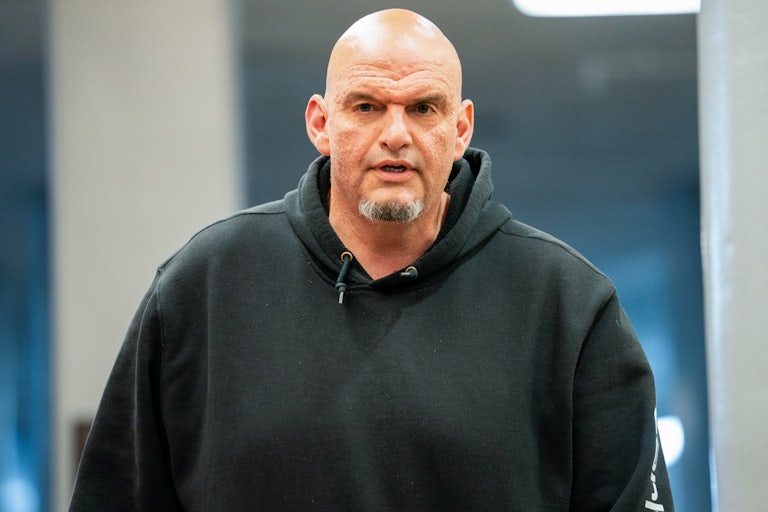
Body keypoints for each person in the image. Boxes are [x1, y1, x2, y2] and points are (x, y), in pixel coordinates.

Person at [69, 8, 674, 511]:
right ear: (320, 123)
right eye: (366, 107)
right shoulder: (202, 287)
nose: (396, 134)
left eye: (423, 108)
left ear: (461, 129)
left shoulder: (569, 306)